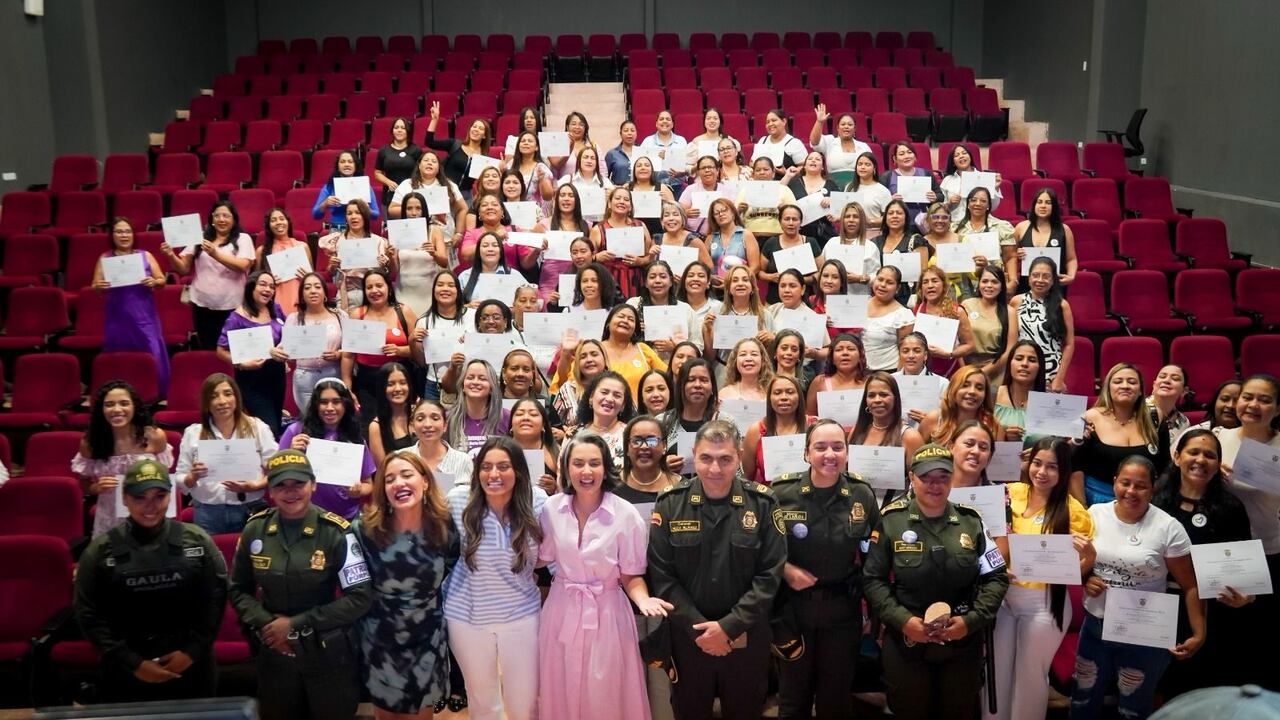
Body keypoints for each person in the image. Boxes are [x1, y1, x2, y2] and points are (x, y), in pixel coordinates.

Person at [647, 420, 787, 720]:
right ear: (694, 453)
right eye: (706, 458)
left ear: (738, 456)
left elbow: (769, 575)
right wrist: (702, 631)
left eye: (725, 459)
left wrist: (727, 628)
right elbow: (662, 576)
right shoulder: (670, 503)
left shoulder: (763, 503)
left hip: (746, 638)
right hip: (688, 639)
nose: (715, 468)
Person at [862, 444, 1009, 720]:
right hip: (907, 641)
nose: (935, 484)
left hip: (961, 643)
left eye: (943, 477)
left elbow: (996, 577)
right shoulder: (891, 521)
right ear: (911, 478)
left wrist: (971, 621)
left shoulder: (971, 522)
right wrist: (904, 621)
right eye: (926, 477)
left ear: (952, 479)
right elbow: (873, 580)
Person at [229, 449, 373, 720]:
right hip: (274, 653)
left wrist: (294, 625)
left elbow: (360, 597)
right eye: (280, 484)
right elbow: (238, 589)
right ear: (269, 489)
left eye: (298, 483)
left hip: (326, 654)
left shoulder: (337, 531)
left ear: (313, 484)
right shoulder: (255, 530)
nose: (290, 491)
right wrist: (269, 625)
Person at [537, 433, 672, 720]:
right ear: (567, 468)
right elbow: (539, 558)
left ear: (606, 467)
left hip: (608, 613)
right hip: (561, 610)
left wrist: (644, 600)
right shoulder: (551, 509)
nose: (586, 471)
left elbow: (630, 575)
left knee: (605, 692)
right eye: (578, 463)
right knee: (560, 684)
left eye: (594, 463)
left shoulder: (625, 514)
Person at [73, 459, 227, 703]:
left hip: (191, 666)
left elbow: (215, 601)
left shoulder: (197, 541)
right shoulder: (100, 551)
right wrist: (133, 664)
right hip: (126, 669)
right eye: (139, 497)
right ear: (124, 498)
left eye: (159, 496)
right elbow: (89, 615)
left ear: (170, 496)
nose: (150, 506)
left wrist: (191, 653)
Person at [1072, 456, 1204, 719]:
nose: (1131, 491)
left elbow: (1190, 585)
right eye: (1125, 483)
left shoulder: (1168, 528)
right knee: (1082, 702)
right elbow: (1077, 566)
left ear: (1153, 488)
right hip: (1095, 627)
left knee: (1132, 709)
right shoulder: (1094, 515)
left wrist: (1199, 633)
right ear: (1114, 483)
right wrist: (1087, 580)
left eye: (1141, 486)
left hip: (1144, 632)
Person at [771, 419, 880, 720]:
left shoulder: (862, 495)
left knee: (836, 700)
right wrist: (785, 569)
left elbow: (875, 557)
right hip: (793, 614)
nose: (829, 454)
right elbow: (760, 550)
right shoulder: (782, 493)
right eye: (820, 447)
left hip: (841, 614)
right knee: (794, 700)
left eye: (837, 447)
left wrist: (872, 613)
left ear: (847, 452)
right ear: (806, 453)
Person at [986, 438, 1094, 720]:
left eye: (1052, 467)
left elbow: (1074, 572)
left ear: (1064, 471)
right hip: (1003, 598)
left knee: (1030, 677)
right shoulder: (1009, 493)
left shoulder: (1073, 511)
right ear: (1028, 463)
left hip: (1045, 603)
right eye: (1037, 463)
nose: (1042, 472)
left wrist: (1089, 557)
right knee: (995, 673)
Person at [442, 437, 549, 720]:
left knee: (525, 704)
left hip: (521, 616)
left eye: (503, 466)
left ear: (519, 472)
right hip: (466, 618)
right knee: (483, 704)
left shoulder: (538, 501)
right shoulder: (457, 501)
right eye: (486, 467)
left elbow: (549, 553)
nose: (494, 474)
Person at [355, 451, 459, 719]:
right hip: (380, 639)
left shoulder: (444, 525)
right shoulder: (365, 530)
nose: (398, 483)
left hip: (428, 638)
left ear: (425, 481)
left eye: (406, 475)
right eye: (389, 479)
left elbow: (453, 562)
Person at [1152, 429, 1254, 697]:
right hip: (1157, 606)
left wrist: (1246, 596)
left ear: (1218, 464)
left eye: (1209, 455)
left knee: (1199, 690)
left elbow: (1245, 573)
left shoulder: (1231, 508)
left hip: (1211, 612)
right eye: (1193, 452)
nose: (1201, 459)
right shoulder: (1154, 501)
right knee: (1156, 686)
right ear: (1176, 457)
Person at [1214, 373, 1280, 690]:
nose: (1253, 405)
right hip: (1219, 553)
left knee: (1260, 639)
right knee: (1223, 639)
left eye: (1264, 400)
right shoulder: (1218, 439)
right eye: (1247, 397)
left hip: (1268, 550)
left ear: (1277, 409)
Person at [175, 373, 276, 534]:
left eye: (228, 394)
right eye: (214, 396)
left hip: (250, 508)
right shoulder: (193, 433)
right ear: (207, 403)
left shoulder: (257, 427)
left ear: (236, 398)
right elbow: (180, 478)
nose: (222, 401)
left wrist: (256, 485)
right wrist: (192, 476)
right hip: (207, 512)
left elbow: (277, 469)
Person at [72, 381, 172, 536]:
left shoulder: (154, 436)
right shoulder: (90, 443)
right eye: (109, 404)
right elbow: (83, 482)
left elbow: (165, 479)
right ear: (101, 409)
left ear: (134, 406)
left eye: (124, 403)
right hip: (110, 514)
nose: (117, 409)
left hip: (149, 512)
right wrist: (95, 488)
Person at [161, 201, 256, 349]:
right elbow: (184, 269)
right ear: (211, 219)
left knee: (232, 350)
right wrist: (170, 255)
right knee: (208, 348)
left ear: (234, 219)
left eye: (226, 215)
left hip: (233, 306)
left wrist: (215, 253)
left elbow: (242, 266)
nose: (221, 219)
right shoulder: (199, 237)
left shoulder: (243, 238)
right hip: (202, 305)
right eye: (217, 215)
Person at [1072, 363, 1168, 506]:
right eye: (1118, 381)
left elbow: (1165, 465)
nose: (1125, 386)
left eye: (1132, 382)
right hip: (1097, 501)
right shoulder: (1090, 417)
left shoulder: (1155, 416)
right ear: (1108, 389)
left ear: (1141, 390)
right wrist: (1082, 508)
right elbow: (1074, 467)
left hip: (1145, 501)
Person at [279, 378, 376, 519]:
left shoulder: (355, 437)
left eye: (336, 402)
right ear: (316, 405)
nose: (330, 408)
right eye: (324, 402)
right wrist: (290, 452)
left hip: (346, 517)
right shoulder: (296, 432)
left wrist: (358, 490)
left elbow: (368, 484)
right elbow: (275, 474)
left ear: (345, 404)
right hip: (306, 515)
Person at [94, 216, 169, 393]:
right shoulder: (105, 257)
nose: (124, 235)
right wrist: (98, 286)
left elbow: (161, 281)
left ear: (133, 234)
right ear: (112, 235)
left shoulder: (145, 255)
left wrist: (154, 282)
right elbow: (96, 288)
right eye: (119, 231)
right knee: (118, 356)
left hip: (143, 315)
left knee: (152, 353)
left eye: (127, 231)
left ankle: (155, 392)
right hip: (117, 316)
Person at [216, 271, 286, 435]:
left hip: (276, 376)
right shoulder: (236, 318)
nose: (268, 289)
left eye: (271, 286)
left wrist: (283, 349)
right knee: (269, 428)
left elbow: (287, 336)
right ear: (251, 287)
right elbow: (220, 351)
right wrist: (241, 364)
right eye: (263, 284)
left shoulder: (275, 309)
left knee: (275, 421)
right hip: (251, 379)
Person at [275, 272, 346, 413]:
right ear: (302, 294)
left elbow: (351, 349)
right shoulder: (293, 318)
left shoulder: (340, 316)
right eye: (307, 287)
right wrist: (276, 352)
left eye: (317, 287)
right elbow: (283, 347)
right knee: (309, 420)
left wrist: (338, 354)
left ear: (325, 292)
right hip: (304, 378)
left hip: (334, 374)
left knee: (333, 418)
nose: (312, 291)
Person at [849, 372, 926, 496]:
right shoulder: (857, 431)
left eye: (884, 395)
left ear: (895, 398)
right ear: (866, 400)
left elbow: (922, 481)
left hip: (895, 510)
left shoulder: (910, 437)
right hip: (858, 507)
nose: (877, 400)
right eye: (871, 395)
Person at [657, 358, 731, 477]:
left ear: (712, 387)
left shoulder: (726, 422)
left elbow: (737, 468)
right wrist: (661, 466)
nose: (697, 385)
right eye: (690, 380)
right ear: (681, 386)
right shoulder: (662, 422)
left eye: (704, 380)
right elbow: (647, 466)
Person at [1010, 256, 1074, 390]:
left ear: (1053, 280)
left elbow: (1069, 344)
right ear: (1028, 278)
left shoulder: (1062, 305)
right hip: (1022, 368)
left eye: (1046, 276)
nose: (1040, 280)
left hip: (1051, 372)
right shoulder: (1016, 301)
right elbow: (1011, 340)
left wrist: (1059, 378)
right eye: (1035, 275)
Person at [318, 199, 394, 311]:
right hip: (346, 295)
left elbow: (387, 273)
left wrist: (386, 264)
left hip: (372, 295)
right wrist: (332, 266)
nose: (353, 217)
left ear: (365, 216)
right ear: (346, 218)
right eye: (349, 213)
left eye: (358, 213)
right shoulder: (336, 240)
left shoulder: (378, 242)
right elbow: (331, 273)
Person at [702, 264, 776, 379]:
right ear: (729, 288)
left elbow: (772, 357)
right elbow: (709, 356)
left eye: (745, 280)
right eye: (735, 280)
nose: (740, 283)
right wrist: (707, 330)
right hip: (723, 372)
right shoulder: (716, 312)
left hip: (756, 375)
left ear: (752, 287)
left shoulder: (765, 315)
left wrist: (772, 340)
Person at [389, 191, 450, 314]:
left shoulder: (435, 231)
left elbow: (444, 263)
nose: (413, 213)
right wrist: (390, 257)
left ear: (424, 210)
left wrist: (434, 253)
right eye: (409, 208)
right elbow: (393, 271)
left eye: (418, 208)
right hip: (404, 292)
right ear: (404, 211)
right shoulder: (397, 232)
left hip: (428, 292)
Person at [1009, 188, 1078, 292]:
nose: (1043, 206)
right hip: (1026, 286)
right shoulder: (1021, 227)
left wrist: (1071, 276)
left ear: (1054, 206)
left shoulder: (1064, 229)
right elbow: (1010, 257)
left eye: (1048, 203)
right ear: (1034, 205)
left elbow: (1071, 259)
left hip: (1054, 287)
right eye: (1039, 202)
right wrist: (1017, 255)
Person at [913, 265, 976, 375]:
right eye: (925, 282)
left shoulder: (957, 311)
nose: (930, 285)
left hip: (950, 369)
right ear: (921, 288)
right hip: (922, 370)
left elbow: (970, 345)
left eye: (934, 281)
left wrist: (950, 354)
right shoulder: (916, 310)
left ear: (944, 285)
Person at [405, 397, 475, 493]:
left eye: (435, 418)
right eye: (420, 419)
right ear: (413, 426)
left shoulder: (463, 461)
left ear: (445, 425)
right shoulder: (402, 458)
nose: (428, 424)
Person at [568, 370, 636, 467]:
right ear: (591, 397)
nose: (609, 399)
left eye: (617, 395)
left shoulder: (631, 435)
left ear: (623, 405)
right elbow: (563, 475)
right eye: (604, 392)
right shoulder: (573, 433)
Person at [918, 366, 1000, 446]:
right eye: (965, 385)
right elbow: (916, 457)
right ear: (953, 389)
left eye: (979, 388)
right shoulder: (934, 419)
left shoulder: (993, 424)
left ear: (985, 394)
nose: (972, 391)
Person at [758, 205, 823, 304]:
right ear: (780, 222)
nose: (791, 223)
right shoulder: (771, 243)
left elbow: (822, 272)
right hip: (774, 302)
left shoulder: (811, 242)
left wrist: (804, 280)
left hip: (804, 302)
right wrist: (770, 277)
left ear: (801, 222)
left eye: (795, 219)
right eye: (787, 219)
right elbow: (759, 272)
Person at [960, 265, 1014, 381]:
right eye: (985, 281)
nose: (989, 285)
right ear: (979, 284)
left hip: (996, 370)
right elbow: (957, 341)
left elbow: (1010, 349)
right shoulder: (966, 304)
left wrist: (983, 372)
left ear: (1001, 286)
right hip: (966, 370)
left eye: (994, 282)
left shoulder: (1010, 312)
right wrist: (964, 371)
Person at [423, 100, 491, 192]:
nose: (476, 130)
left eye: (481, 128)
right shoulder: (455, 144)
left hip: (465, 196)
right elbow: (429, 142)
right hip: (444, 190)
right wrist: (434, 120)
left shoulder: (484, 157)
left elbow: (486, 180)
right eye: (474, 126)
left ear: (484, 135)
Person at [871, 199, 928, 306]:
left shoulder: (916, 240)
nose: (895, 216)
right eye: (891, 213)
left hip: (908, 298)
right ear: (885, 218)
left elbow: (924, 274)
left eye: (899, 213)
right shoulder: (874, 242)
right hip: (881, 295)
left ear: (906, 217)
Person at [256, 208, 311, 316]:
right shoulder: (261, 251)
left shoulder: (302, 246)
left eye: (282, 219)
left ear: (288, 222)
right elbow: (256, 283)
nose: (278, 222)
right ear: (268, 226)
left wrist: (307, 276)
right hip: (274, 300)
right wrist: (269, 280)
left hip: (300, 298)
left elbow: (312, 277)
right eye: (274, 220)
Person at [994, 340, 1049, 448]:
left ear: (1040, 367)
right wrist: (1004, 437)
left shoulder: (1050, 402)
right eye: (1019, 359)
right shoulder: (992, 396)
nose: (1024, 364)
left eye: (1032, 360)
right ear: (1010, 363)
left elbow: (1058, 448)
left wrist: (1076, 440)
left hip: (1038, 463)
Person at [863, 265, 917, 372]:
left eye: (889, 282)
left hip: (888, 373)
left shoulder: (903, 315)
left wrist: (897, 378)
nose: (883, 285)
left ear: (897, 288)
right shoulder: (859, 305)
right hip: (859, 372)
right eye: (880, 279)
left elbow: (905, 351)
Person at [804, 333, 869, 419]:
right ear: (832, 358)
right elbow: (810, 417)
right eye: (839, 350)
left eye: (851, 349)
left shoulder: (870, 382)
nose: (845, 353)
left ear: (860, 356)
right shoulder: (820, 382)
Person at [822, 201, 881, 295]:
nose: (851, 220)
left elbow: (878, 278)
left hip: (859, 297)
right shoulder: (831, 243)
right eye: (847, 216)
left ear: (862, 221)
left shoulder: (871, 247)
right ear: (842, 220)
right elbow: (822, 271)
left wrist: (859, 278)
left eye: (856, 217)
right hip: (832, 298)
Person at [311, 149, 381, 228]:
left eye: (350, 162)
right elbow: (315, 215)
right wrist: (325, 203)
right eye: (342, 162)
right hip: (337, 229)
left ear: (355, 166)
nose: (346, 164)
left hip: (360, 230)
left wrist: (367, 209)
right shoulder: (329, 187)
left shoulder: (364, 186)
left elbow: (375, 215)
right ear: (338, 166)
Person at [880, 141, 941, 231]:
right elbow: (879, 201)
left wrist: (935, 197)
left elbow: (941, 196)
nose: (906, 156)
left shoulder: (925, 173)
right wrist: (890, 200)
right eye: (901, 154)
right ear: (895, 159)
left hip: (922, 224)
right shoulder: (887, 176)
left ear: (915, 157)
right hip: (897, 224)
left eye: (909, 152)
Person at [367, 362, 419, 464]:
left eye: (403, 383)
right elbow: (382, 468)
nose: (398, 389)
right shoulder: (376, 427)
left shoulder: (419, 414)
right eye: (390, 384)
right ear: (382, 388)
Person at [736, 157, 799, 241]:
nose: (762, 172)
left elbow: (796, 216)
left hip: (778, 238)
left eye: (766, 169)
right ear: (753, 174)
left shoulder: (784, 190)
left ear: (773, 173)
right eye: (758, 170)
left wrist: (784, 208)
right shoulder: (745, 191)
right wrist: (739, 210)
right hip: (750, 238)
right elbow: (733, 217)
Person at [892, 332, 947, 429]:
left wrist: (930, 421)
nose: (911, 355)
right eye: (905, 351)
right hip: (895, 436)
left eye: (917, 351)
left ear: (925, 355)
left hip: (929, 436)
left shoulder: (942, 383)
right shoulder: (890, 380)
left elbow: (948, 419)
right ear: (899, 355)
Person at [939, 145, 1004, 223]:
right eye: (957, 155)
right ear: (953, 162)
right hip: (956, 223)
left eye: (964, 153)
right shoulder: (947, 180)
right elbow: (940, 209)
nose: (961, 156)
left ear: (970, 157)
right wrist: (949, 203)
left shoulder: (984, 177)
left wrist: (995, 188)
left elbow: (993, 207)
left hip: (981, 222)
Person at [509, 398, 559, 495]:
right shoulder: (499, 451)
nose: (526, 418)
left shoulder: (558, 452)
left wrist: (555, 488)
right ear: (511, 423)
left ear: (543, 425)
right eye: (519, 414)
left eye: (533, 414)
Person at [704, 198, 762, 281]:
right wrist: (711, 277)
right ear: (713, 218)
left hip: (739, 285)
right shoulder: (710, 238)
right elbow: (703, 266)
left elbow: (755, 267)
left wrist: (736, 280)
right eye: (716, 213)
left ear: (733, 213)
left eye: (724, 210)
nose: (721, 214)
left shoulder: (746, 235)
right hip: (715, 287)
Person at [810, 105, 875, 176]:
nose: (846, 127)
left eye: (850, 125)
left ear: (855, 129)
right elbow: (814, 142)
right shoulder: (830, 141)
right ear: (837, 128)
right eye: (843, 124)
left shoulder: (863, 146)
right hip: (833, 184)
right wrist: (819, 122)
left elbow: (871, 169)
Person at [372, 117, 423, 207]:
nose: (399, 130)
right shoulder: (384, 150)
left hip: (411, 193)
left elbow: (421, 172)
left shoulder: (416, 150)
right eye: (396, 127)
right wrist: (388, 182)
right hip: (390, 194)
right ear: (392, 131)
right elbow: (377, 173)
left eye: (403, 128)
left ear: (408, 131)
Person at [678, 155, 733, 235]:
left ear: (717, 170)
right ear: (698, 172)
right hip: (694, 235)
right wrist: (686, 213)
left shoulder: (727, 190)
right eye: (703, 168)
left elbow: (732, 213)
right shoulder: (690, 189)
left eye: (710, 167)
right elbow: (679, 212)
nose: (707, 170)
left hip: (720, 234)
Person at [505, 130, 557, 213]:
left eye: (530, 141)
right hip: (512, 211)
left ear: (536, 147)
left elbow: (548, 196)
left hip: (534, 213)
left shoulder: (541, 168)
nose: (526, 143)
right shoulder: (510, 165)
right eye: (523, 141)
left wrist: (542, 179)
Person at [627, 157, 677, 237]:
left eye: (647, 165)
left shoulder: (663, 188)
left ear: (652, 170)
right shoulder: (626, 188)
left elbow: (676, 211)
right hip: (632, 230)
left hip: (658, 231)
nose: (643, 168)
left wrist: (667, 201)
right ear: (634, 170)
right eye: (639, 166)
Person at [843, 152, 892, 227]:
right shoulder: (849, 187)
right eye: (860, 164)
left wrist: (871, 221)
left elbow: (889, 218)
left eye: (867, 164)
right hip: (852, 231)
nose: (863, 167)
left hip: (874, 233)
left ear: (874, 168)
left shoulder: (883, 191)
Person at [719, 337, 774, 402]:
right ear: (735, 361)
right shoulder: (724, 394)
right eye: (743, 354)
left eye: (754, 354)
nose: (748, 358)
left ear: (763, 360)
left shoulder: (772, 393)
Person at [754, 109, 808, 174]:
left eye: (774, 120)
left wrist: (787, 173)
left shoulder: (794, 143)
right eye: (768, 122)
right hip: (763, 182)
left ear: (784, 121)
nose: (770, 124)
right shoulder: (762, 141)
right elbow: (752, 162)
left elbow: (805, 167)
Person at [1148, 364, 1191, 441]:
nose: (1166, 381)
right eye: (1162, 376)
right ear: (1154, 385)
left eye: (1175, 378)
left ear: (1184, 391)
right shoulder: (1135, 412)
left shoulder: (1184, 422)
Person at [604, 119, 641, 185]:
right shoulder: (612, 154)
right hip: (619, 192)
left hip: (638, 192)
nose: (629, 133)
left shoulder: (642, 152)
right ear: (620, 134)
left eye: (632, 130)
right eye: (626, 130)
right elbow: (604, 177)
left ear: (636, 133)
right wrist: (613, 188)